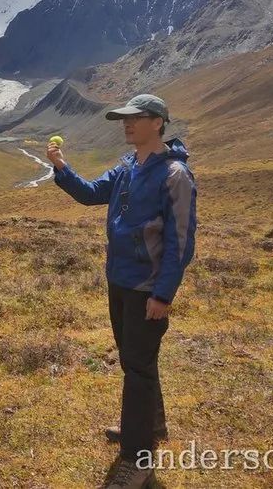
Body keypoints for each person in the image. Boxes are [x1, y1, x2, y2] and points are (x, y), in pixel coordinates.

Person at [46, 94, 197, 489]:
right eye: (124, 119)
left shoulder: (175, 175)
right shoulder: (128, 166)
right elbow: (91, 193)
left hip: (147, 287)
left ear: (158, 122)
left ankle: (137, 458)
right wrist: (62, 169)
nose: (126, 124)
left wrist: (163, 294)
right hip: (120, 280)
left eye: (136, 118)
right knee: (137, 364)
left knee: (139, 369)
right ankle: (152, 426)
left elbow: (181, 242)